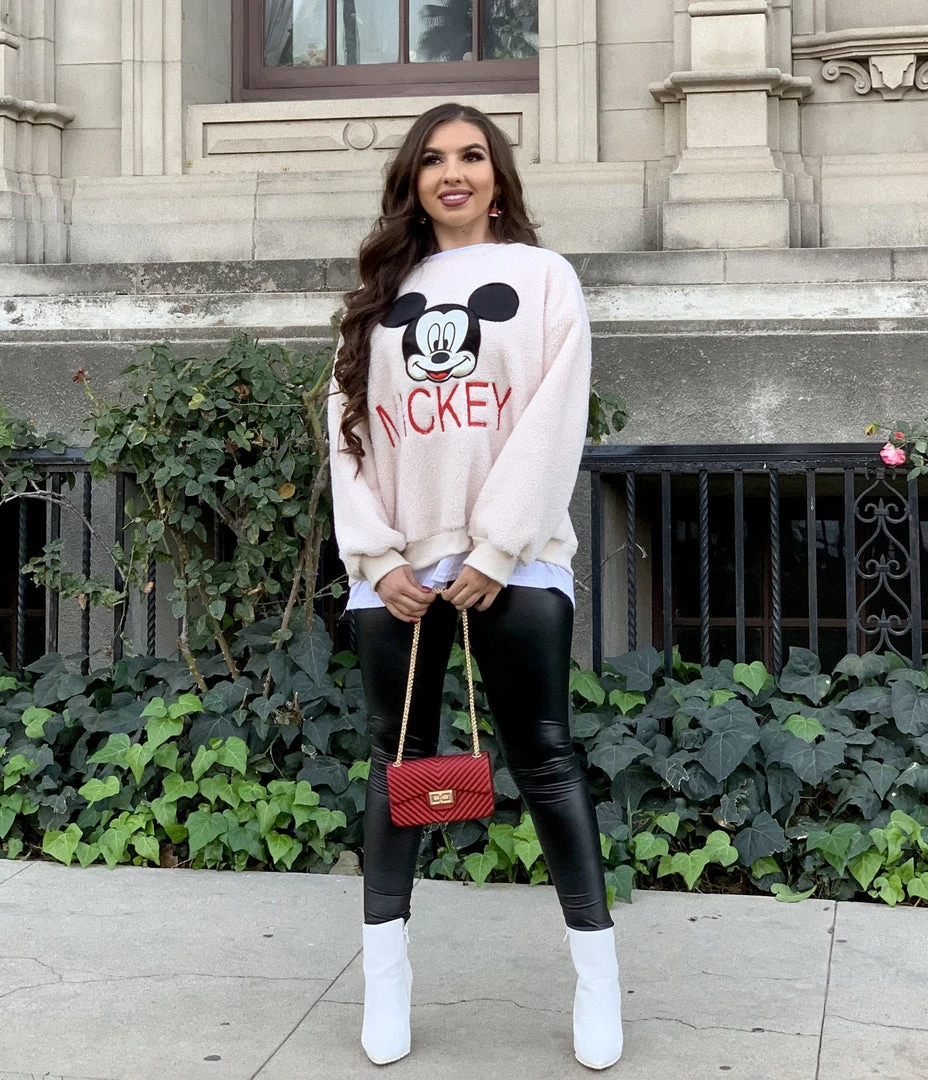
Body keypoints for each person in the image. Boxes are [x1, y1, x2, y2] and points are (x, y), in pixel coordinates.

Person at [328, 102, 622, 1070]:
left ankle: (597, 982)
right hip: (399, 570)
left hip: (515, 559)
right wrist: (377, 560)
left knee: (545, 760)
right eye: (433, 160)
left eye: (472, 156)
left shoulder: (541, 279)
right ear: (412, 182)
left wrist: (495, 549)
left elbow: (554, 416)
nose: (452, 172)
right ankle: (387, 982)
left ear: (498, 177)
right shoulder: (381, 294)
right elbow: (346, 431)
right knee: (398, 765)